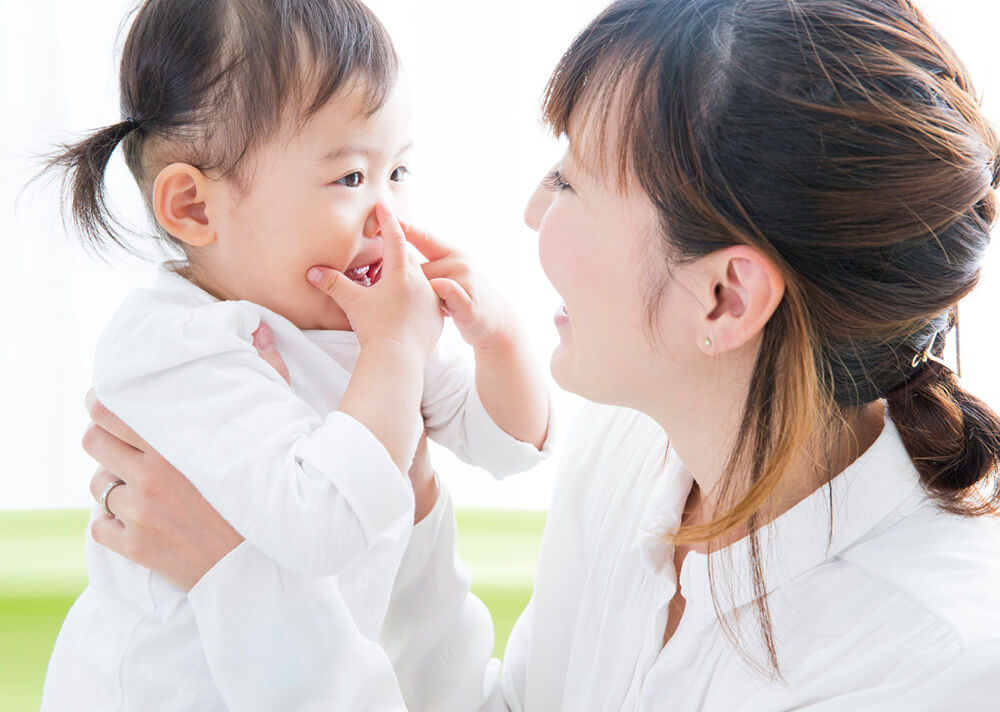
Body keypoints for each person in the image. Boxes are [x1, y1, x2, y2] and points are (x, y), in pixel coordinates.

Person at [81, 0, 1000, 709]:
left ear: (725, 296)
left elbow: (496, 438)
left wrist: (238, 575)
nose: (530, 212)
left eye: (571, 180)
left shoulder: (930, 666)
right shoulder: (636, 455)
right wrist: (416, 493)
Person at [40, 1, 550, 710]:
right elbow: (321, 528)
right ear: (194, 207)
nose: (389, 218)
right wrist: (394, 349)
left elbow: (507, 445)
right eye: (351, 179)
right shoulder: (173, 347)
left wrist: (498, 339)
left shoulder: (368, 327)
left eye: (398, 172)